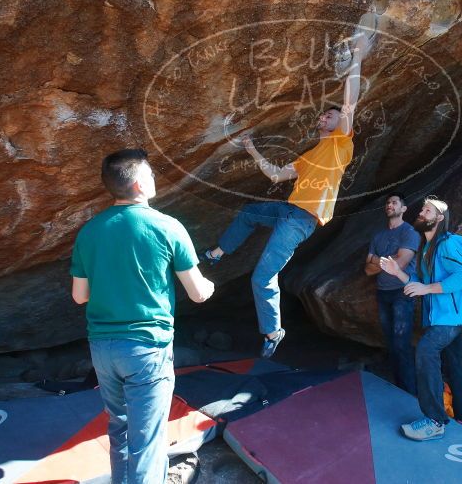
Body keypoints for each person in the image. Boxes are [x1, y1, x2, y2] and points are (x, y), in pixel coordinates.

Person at [201, 24, 374, 358]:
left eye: (331, 114)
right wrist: (251, 149)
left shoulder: (341, 144)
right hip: (288, 211)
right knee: (249, 212)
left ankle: (272, 331)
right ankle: (220, 252)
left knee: (262, 278)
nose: (325, 116)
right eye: (325, 114)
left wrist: (357, 57)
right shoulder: (310, 155)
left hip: (301, 221)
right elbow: (277, 175)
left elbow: (350, 100)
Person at [70, 149, 214, 484]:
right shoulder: (167, 226)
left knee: (119, 428)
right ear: (138, 184)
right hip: (147, 349)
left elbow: (80, 297)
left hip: (102, 349)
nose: (154, 179)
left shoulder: (89, 231)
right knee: (147, 441)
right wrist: (208, 285)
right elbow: (197, 292)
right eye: (150, 174)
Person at [380, 197, 462, 441]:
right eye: (423, 209)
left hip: (452, 316)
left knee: (426, 349)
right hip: (441, 318)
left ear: (438, 218)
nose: (421, 213)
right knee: (455, 366)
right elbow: (420, 286)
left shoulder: (449, 242)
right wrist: (398, 273)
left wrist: (426, 290)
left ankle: (435, 420)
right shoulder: (426, 250)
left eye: (427, 210)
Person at [364, 192, 419, 395]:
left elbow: (400, 263)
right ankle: (398, 386)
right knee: (390, 341)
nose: (390, 205)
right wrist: (387, 260)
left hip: (402, 293)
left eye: (395, 202)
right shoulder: (378, 236)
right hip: (383, 292)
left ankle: (410, 392)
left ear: (403, 209)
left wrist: (377, 259)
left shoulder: (409, 232)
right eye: (388, 202)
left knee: (401, 342)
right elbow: (367, 270)